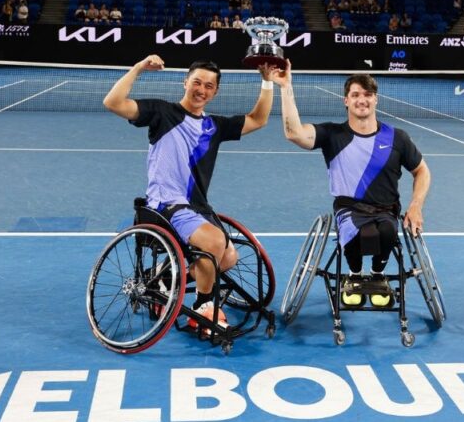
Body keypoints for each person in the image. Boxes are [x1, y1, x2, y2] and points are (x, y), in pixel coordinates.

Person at [103, 55, 282, 332]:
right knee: (213, 242)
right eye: (197, 82)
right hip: (166, 205)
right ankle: (203, 306)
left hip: (198, 207)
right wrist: (138, 68)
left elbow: (258, 120)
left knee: (229, 258)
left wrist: (267, 82)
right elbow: (112, 103)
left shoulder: (215, 127)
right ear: (185, 82)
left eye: (209, 86)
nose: (201, 90)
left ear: (215, 92)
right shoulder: (162, 113)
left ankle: (166, 279)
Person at [276, 64, 431, 308]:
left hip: (386, 210)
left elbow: (422, 170)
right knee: (363, 233)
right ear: (345, 101)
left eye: (367, 95)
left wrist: (416, 205)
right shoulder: (332, 134)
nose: (362, 100)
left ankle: (378, 276)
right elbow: (294, 133)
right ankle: (355, 275)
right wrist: (285, 87)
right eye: (356, 95)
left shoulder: (397, 137)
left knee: (389, 232)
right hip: (349, 210)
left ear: (376, 100)